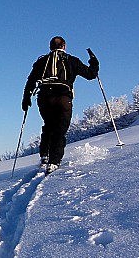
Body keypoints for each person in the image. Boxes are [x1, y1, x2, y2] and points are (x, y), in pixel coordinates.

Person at [22, 36, 99, 174]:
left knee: (49, 124)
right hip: (63, 98)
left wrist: (26, 98)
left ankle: (45, 154)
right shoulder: (71, 60)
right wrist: (94, 63)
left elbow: (31, 80)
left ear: (50, 47)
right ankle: (54, 161)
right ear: (64, 46)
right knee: (60, 128)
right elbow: (90, 74)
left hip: (45, 98)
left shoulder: (41, 61)